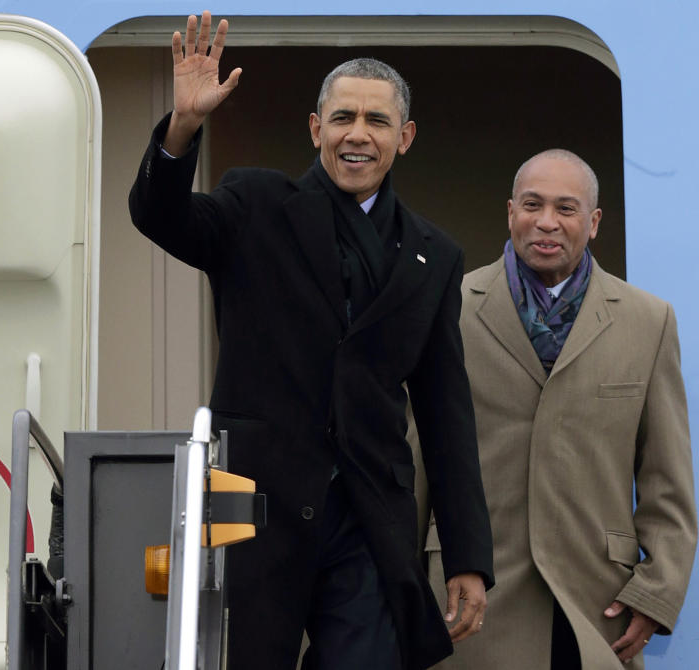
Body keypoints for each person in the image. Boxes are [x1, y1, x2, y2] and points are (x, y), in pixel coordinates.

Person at [129, 13, 493, 670]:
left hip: (369, 521)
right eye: (343, 117)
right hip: (254, 510)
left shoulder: (435, 255)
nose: (358, 134)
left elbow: (446, 415)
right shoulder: (255, 204)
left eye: (377, 122)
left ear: (404, 137)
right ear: (315, 128)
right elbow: (162, 218)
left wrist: (467, 557)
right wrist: (182, 127)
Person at [422, 149, 697, 670]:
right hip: (470, 600)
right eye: (532, 204)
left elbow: (668, 482)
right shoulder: (449, 306)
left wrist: (655, 594)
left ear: (593, 222)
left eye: (566, 208)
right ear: (510, 213)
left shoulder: (649, 320)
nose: (546, 222)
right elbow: (415, 459)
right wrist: (400, 583)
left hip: (596, 608)